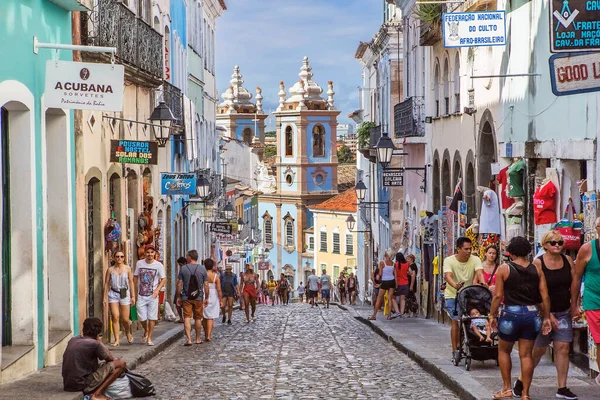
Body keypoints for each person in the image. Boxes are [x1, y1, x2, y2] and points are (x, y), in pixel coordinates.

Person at [512, 231, 577, 399]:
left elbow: (574, 284)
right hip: (542, 313)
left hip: (563, 312)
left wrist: (574, 305)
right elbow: (533, 291)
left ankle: (562, 387)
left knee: (563, 348)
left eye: (560, 242)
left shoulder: (568, 261)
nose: (557, 245)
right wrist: (547, 314)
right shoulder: (538, 263)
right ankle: (521, 381)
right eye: (553, 242)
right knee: (538, 350)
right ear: (545, 245)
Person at [489, 236, 552, 400]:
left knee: (504, 350)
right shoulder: (537, 269)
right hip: (532, 314)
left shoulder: (504, 269)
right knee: (526, 355)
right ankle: (525, 394)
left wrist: (492, 315)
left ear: (511, 252)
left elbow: (497, 296)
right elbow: (544, 296)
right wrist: (546, 317)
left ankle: (507, 388)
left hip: (511, 313)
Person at [62, 318, 127, 400]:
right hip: (83, 384)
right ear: (98, 332)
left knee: (103, 365)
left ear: (83, 329)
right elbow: (110, 359)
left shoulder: (73, 340)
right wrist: (100, 342)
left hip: (68, 384)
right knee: (121, 363)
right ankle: (97, 394)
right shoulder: (94, 344)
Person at [443, 237, 484, 362]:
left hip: (468, 295)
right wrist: (455, 285)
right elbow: (448, 276)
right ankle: (455, 349)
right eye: (466, 249)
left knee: (471, 318)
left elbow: (480, 273)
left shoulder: (475, 259)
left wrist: (483, 283)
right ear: (458, 249)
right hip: (453, 295)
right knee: (456, 320)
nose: (469, 251)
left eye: (470, 249)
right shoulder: (449, 260)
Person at [572, 217, 600, 386]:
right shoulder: (587, 249)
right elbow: (576, 277)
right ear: (597, 228)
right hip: (594, 302)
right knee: (599, 341)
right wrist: (574, 305)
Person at [133, 245, 166, 346]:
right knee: (141, 317)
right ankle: (146, 330)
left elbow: (163, 279)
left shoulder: (158, 265)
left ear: (155, 253)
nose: (150, 254)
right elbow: (135, 277)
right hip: (141, 295)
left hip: (153, 296)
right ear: (144, 253)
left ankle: (149, 338)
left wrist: (157, 290)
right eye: (148, 252)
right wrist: (134, 292)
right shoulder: (139, 263)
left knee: (152, 318)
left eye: (152, 252)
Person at [176, 250, 209, 346]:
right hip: (198, 297)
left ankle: (189, 339)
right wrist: (206, 297)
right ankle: (198, 338)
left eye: (187, 256)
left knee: (187, 317)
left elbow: (179, 284)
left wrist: (178, 296)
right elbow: (206, 285)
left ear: (189, 258)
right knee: (198, 318)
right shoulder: (202, 269)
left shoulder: (183, 269)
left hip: (186, 297)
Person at [102, 251, 135, 346]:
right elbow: (106, 283)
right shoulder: (110, 270)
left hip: (124, 293)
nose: (119, 258)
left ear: (124, 258)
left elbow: (131, 282)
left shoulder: (127, 269)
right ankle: (117, 339)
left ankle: (128, 332)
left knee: (125, 319)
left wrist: (133, 296)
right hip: (113, 293)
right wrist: (104, 298)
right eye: (117, 256)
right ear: (113, 258)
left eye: (121, 256)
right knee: (115, 316)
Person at [369, 248, 397, 320]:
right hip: (392, 281)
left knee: (379, 298)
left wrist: (377, 282)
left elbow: (380, 273)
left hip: (385, 281)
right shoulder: (393, 264)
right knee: (390, 298)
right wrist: (396, 284)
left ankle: (374, 315)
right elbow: (395, 275)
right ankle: (389, 315)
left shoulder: (382, 263)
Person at [202, 259, 222, 342]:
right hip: (213, 296)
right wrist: (221, 300)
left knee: (204, 316)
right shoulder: (215, 276)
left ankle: (206, 333)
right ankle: (209, 335)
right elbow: (219, 289)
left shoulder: (202, 275)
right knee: (210, 317)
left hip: (203, 294)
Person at [392, 252, 410, 319]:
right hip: (405, 283)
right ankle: (402, 313)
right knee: (403, 299)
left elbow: (395, 276)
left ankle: (397, 312)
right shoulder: (407, 264)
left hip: (398, 283)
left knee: (393, 298)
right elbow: (410, 272)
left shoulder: (396, 265)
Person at [173, 257, 187, 323]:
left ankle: (184, 318)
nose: (180, 267)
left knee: (184, 305)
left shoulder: (185, 270)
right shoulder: (182, 270)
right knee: (177, 304)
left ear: (185, 263)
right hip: (180, 289)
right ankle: (181, 318)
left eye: (181, 265)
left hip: (184, 290)